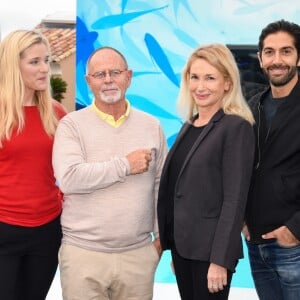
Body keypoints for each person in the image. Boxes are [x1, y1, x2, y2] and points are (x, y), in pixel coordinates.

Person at [52, 46, 168, 300]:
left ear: (129, 76)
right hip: (84, 255)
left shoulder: (151, 125)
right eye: (99, 74)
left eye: (115, 72)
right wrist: (125, 165)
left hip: (137, 255)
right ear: (88, 81)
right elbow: (69, 178)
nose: (107, 80)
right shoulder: (71, 125)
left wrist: (160, 239)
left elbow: (162, 185)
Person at [157, 43, 255, 300]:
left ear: (227, 83)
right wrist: (175, 249)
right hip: (184, 250)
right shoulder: (190, 124)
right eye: (195, 77)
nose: (200, 86)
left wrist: (220, 261)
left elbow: (235, 200)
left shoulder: (236, 127)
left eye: (210, 78)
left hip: (210, 255)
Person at [0, 30, 67, 300]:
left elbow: (68, 169)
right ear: (13, 65)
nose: (44, 69)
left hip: (47, 230)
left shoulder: (57, 113)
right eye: (35, 62)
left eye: (47, 61)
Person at [243, 19, 300, 300]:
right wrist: (242, 219)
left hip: (295, 245)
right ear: (261, 59)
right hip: (256, 244)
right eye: (269, 52)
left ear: (299, 56)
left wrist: (295, 229)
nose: (277, 60)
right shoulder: (252, 106)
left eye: (286, 51)